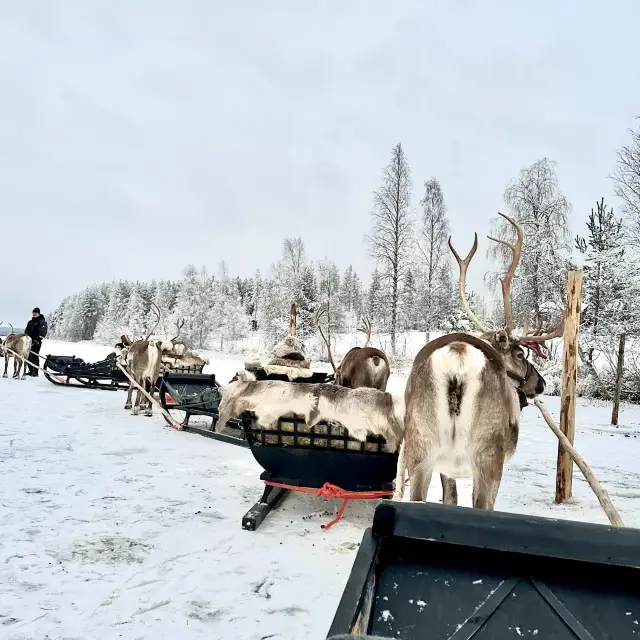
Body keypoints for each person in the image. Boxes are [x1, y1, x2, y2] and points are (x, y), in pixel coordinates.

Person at [25, 307, 48, 377]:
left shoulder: (42, 322)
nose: (34, 314)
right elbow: (26, 331)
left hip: (36, 342)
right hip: (28, 342)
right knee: (28, 356)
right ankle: (30, 370)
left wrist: (37, 340)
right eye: (33, 312)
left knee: (34, 356)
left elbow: (43, 333)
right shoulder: (30, 322)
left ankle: (35, 372)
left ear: (39, 313)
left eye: (36, 313)